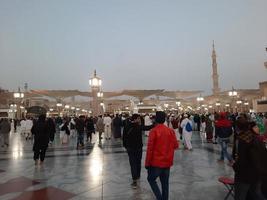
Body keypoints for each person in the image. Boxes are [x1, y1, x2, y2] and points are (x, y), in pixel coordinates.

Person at [145, 111, 179, 200]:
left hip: (156, 162)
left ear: (155, 119)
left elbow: (150, 149)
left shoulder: (153, 131)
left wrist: (147, 163)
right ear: (164, 120)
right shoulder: (170, 131)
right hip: (167, 162)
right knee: (165, 183)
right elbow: (176, 145)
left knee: (151, 179)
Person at [233, 118, 267, 200]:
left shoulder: (241, 139)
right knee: (255, 193)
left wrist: (235, 166)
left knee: (240, 196)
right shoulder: (255, 138)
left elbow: (240, 159)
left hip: (245, 175)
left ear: (237, 128)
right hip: (258, 173)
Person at [123, 113, 153, 189]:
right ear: (135, 119)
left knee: (133, 163)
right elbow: (147, 128)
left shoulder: (127, 126)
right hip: (138, 148)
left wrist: (126, 147)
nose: (140, 120)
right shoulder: (138, 126)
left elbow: (124, 138)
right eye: (139, 118)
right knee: (137, 162)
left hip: (130, 148)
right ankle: (137, 176)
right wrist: (155, 124)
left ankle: (135, 179)